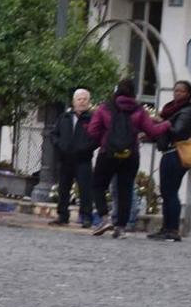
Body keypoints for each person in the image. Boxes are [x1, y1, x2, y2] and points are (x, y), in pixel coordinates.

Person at [86, 77, 167, 239]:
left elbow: (92, 131)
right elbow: (152, 131)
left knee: (98, 185)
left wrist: (106, 138)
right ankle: (121, 228)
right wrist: (167, 124)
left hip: (107, 153)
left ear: (116, 90)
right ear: (133, 92)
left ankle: (104, 218)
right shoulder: (139, 110)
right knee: (125, 190)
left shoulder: (105, 108)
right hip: (131, 155)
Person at [150, 80, 191, 242]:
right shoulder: (171, 108)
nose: (177, 93)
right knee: (166, 192)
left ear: (188, 94)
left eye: (181, 91)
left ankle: (172, 229)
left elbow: (178, 131)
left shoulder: (189, 110)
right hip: (168, 151)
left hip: (176, 153)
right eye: (176, 90)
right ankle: (166, 227)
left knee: (171, 191)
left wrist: (161, 122)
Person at [50, 88, 98, 229]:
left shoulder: (92, 119)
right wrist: (59, 145)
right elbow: (54, 134)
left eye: (85, 99)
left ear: (89, 102)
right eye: (79, 99)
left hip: (83, 159)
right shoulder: (64, 117)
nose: (82, 102)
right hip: (65, 159)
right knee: (63, 188)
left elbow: (97, 138)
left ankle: (86, 217)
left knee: (85, 190)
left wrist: (86, 148)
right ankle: (62, 215)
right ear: (74, 101)